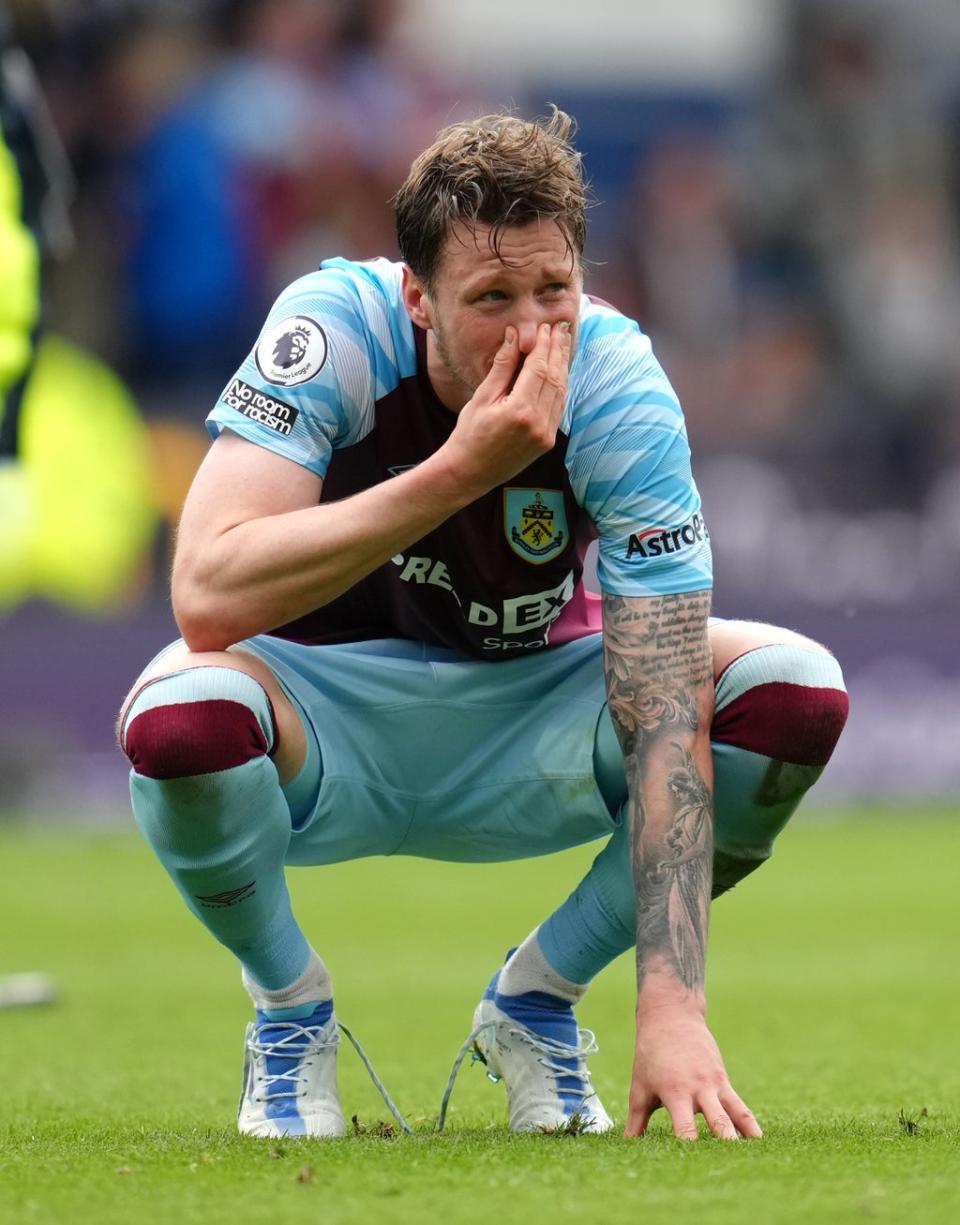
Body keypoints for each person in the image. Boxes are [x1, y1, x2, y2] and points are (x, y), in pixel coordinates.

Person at [118, 109, 848, 1141]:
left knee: (793, 689)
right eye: (490, 297)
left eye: (554, 290)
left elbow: (666, 690)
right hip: (322, 709)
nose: (531, 329)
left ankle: (536, 1003)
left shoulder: (616, 380)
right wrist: (460, 469)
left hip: (530, 712)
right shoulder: (333, 330)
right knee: (179, 717)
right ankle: (289, 1009)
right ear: (415, 295)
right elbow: (206, 592)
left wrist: (672, 1004)